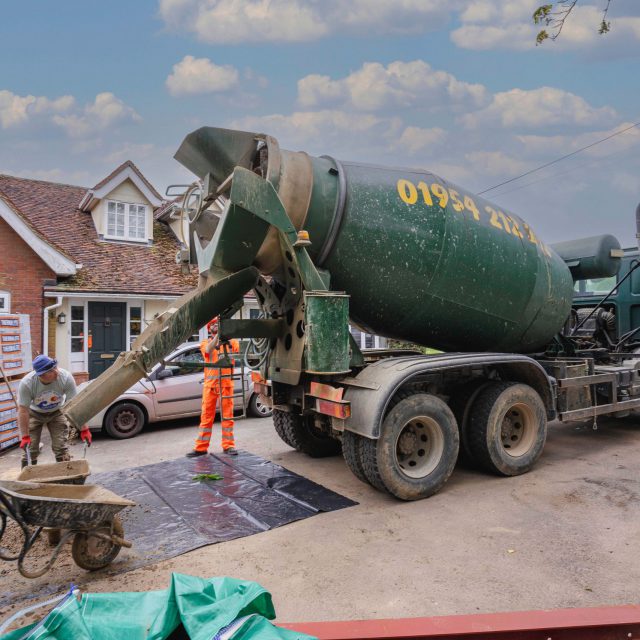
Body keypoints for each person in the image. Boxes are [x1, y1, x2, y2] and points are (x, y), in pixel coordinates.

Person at [18, 355, 91, 467]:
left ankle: (65, 477)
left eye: (55, 367)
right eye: (51, 371)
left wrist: (84, 429)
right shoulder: (27, 383)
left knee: (60, 447)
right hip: (34, 413)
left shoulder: (65, 377)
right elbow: (23, 411)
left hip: (57, 412)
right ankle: (27, 478)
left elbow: (75, 404)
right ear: (41, 375)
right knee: (31, 449)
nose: (56, 372)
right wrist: (25, 436)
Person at [186, 318, 240, 457]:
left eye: (218, 325)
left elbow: (239, 351)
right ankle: (201, 448)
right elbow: (209, 349)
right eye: (213, 325)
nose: (215, 326)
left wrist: (226, 335)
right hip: (210, 386)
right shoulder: (205, 343)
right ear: (209, 329)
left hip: (226, 385)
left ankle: (228, 446)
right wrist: (218, 336)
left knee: (227, 417)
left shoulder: (232, 342)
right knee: (206, 417)